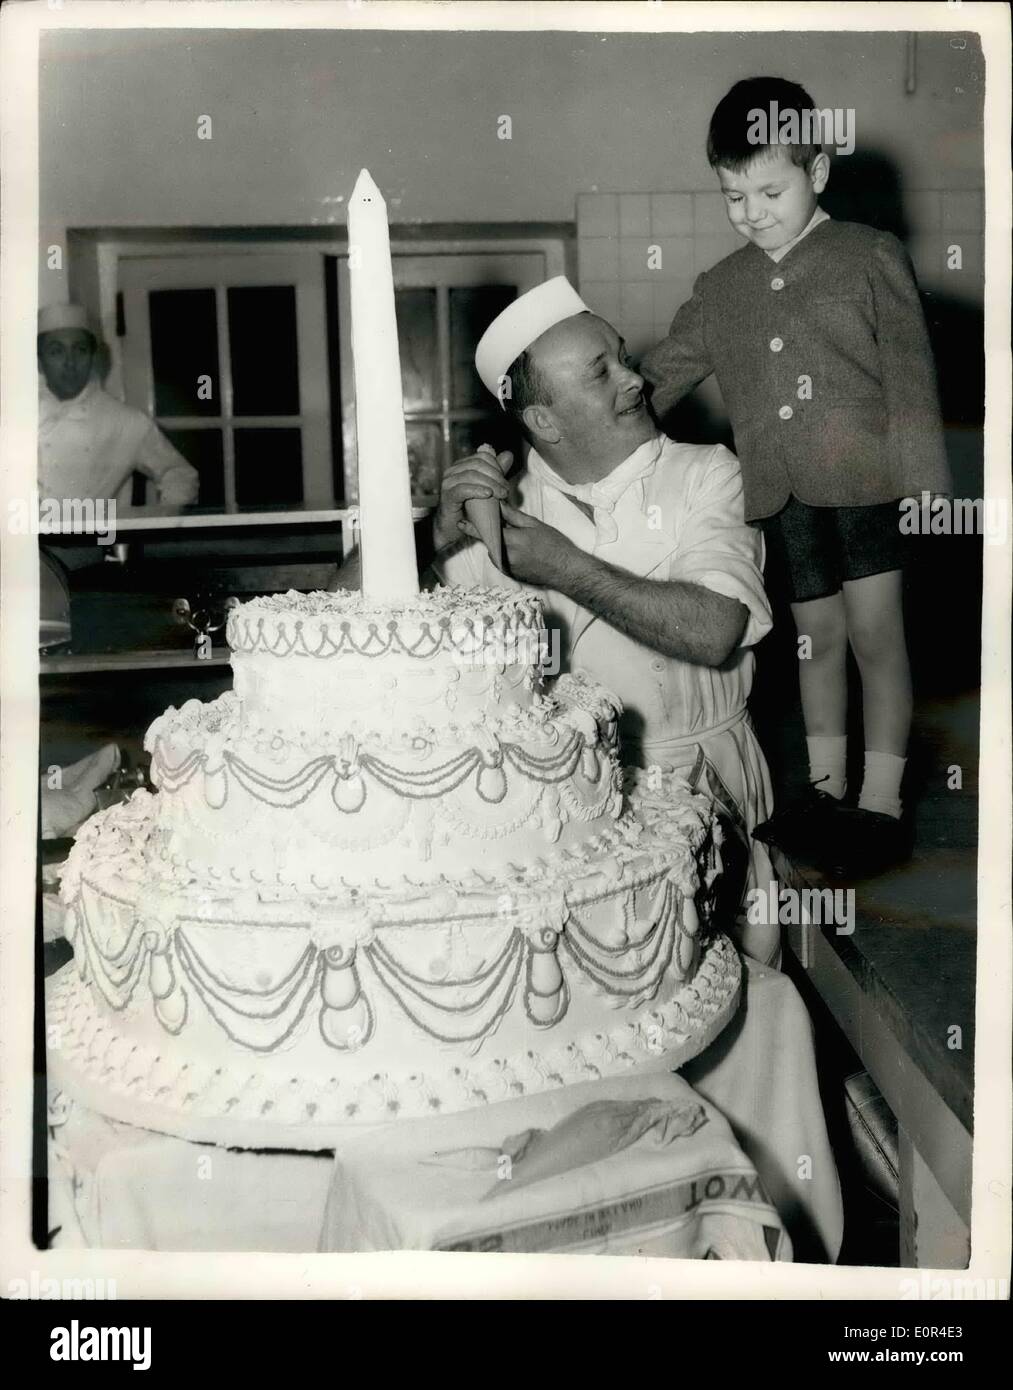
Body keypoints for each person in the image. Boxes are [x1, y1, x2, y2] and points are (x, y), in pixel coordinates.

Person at [640, 77, 952, 878]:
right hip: (781, 496)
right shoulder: (721, 287)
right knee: (817, 645)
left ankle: (879, 804)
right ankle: (821, 794)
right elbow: (658, 379)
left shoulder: (868, 254)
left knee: (879, 639)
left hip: (869, 488)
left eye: (768, 189)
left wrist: (926, 491)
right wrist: (594, 412)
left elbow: (911, 380)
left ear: (816, 171)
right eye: (731, 194)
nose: (749, 211)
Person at [432, 276, 779, 966]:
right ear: (544, 421)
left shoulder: (706, 473)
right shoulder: (497, 510)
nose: (635, 380)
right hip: (577, 811)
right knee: (609, 1009)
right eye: (602, 372)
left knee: (732, 996)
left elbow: (712, 632)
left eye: (620, 356)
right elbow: (344, 616)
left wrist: (563, 566)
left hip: (710, 782)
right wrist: (429, 537)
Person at [38, 303, 199, 515]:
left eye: (80, 350)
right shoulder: (13, 417)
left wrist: (161, 516)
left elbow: (179, 474)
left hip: (94, 545)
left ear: (93, 356)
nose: (70, 362)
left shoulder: (124, 421)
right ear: (39, 361)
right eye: (56, 351)